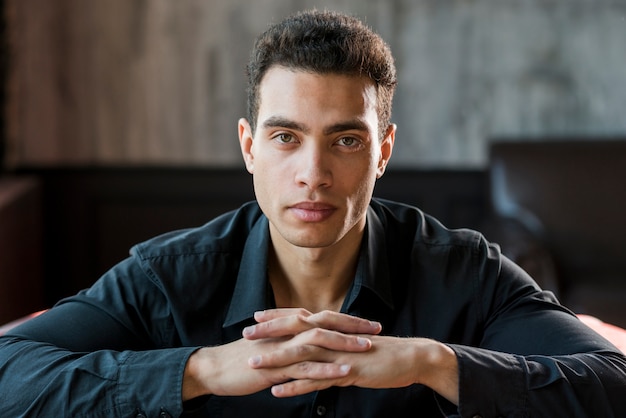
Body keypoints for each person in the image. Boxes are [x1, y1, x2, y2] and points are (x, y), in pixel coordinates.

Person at [1, 9, 625, 418]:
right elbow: (11, 370)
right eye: (285, 137)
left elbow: (612, 381)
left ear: (383, 151)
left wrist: (433, 362)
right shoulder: (171, 276)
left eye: (346, 140)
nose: (314, 172)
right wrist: (201, 369)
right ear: (249, 146)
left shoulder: (462, 272)